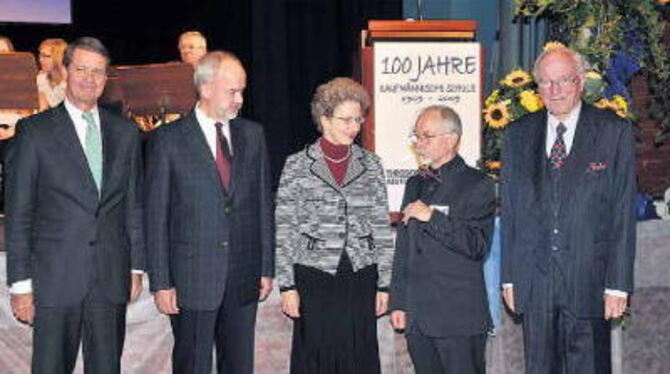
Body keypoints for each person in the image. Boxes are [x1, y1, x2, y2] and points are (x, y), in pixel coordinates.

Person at [5, 36, 145, 373]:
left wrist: (136, 266)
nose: (89, 78)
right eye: (81, 69)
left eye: (98, 72)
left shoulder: (125, 134)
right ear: (65, 70)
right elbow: (19, 212)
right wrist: (21, 285)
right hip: (54, 280)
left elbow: (134, 205)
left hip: (109, 278)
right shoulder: (34, 132)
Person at [501, 46, 636, 373]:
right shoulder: (517, 135)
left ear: (579, 82)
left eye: (563, 80)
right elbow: (511, 212)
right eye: (546, 82)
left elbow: (622, 212)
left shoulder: (612, 131)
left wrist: (618, 284)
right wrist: (509, 278)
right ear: (537, 88)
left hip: (588, 279)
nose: (555, 90)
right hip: (535, 283)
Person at [145, 50, 274, 374]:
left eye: (243, 90)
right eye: (233, 91)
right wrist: (161, 282)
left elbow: (262, 206)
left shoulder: (252, 135)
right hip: (191, 281)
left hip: (243, 276)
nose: (240, 99)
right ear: (205, 88)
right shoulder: (168, 140)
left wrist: (266, 267)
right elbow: (156, 216)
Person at [275, 77, 394, 374]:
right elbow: (286, 228)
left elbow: (380, 224)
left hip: (361, 274)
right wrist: (287, 285)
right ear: (324, 118)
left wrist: (385, 283)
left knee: (360, 354)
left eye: (359, 119)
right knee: (317, 356)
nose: (354, 126)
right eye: (346, 119)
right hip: (315, 275)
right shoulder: (296, 165)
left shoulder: (372, 164)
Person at [389, 105, 495, 374]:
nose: (419, 143)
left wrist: (433, 218)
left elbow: (478, 245)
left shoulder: (478, 183)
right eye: (416, 137)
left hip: (458, 318)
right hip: (418, 318)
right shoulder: (414, 184)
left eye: (426, 136)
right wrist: (399, 302)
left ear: (451, 139)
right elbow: (404, 248)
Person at [37, 38, 68, 111]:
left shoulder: (72, 81)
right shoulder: (41, 78)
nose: (41, 60)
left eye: (46, 56)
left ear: (59, 57)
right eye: (40, 56)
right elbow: (42, 108)